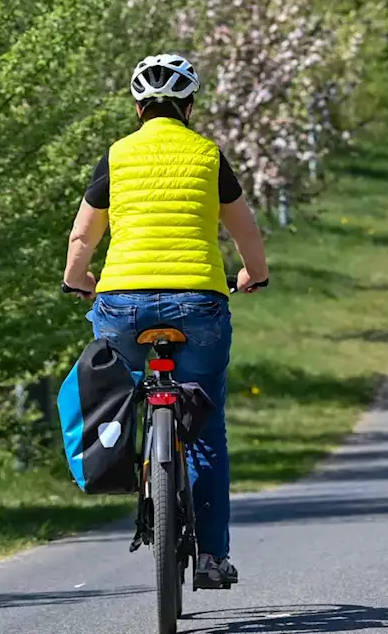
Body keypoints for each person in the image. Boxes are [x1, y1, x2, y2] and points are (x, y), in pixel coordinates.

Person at [62, 53, 269, 589]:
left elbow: (83, 237)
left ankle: (134, 456)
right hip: (199, 303)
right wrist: (252, 274)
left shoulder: (116, 156)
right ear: (189, 105)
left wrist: (77, 278)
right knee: (205, 426)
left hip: (122, 304)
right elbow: (246, 232)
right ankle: (211, 557)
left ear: (138, 108)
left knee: (119, 392)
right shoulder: (208, 155)